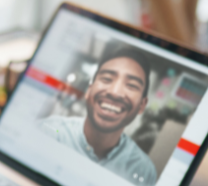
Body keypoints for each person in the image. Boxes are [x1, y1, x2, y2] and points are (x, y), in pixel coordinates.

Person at [40, 47, 158, 185]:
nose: (115, 92)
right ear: (89, 91)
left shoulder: (144, 171)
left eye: (131, 85)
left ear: (142, 105)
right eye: (107, 79)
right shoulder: (49, 132)